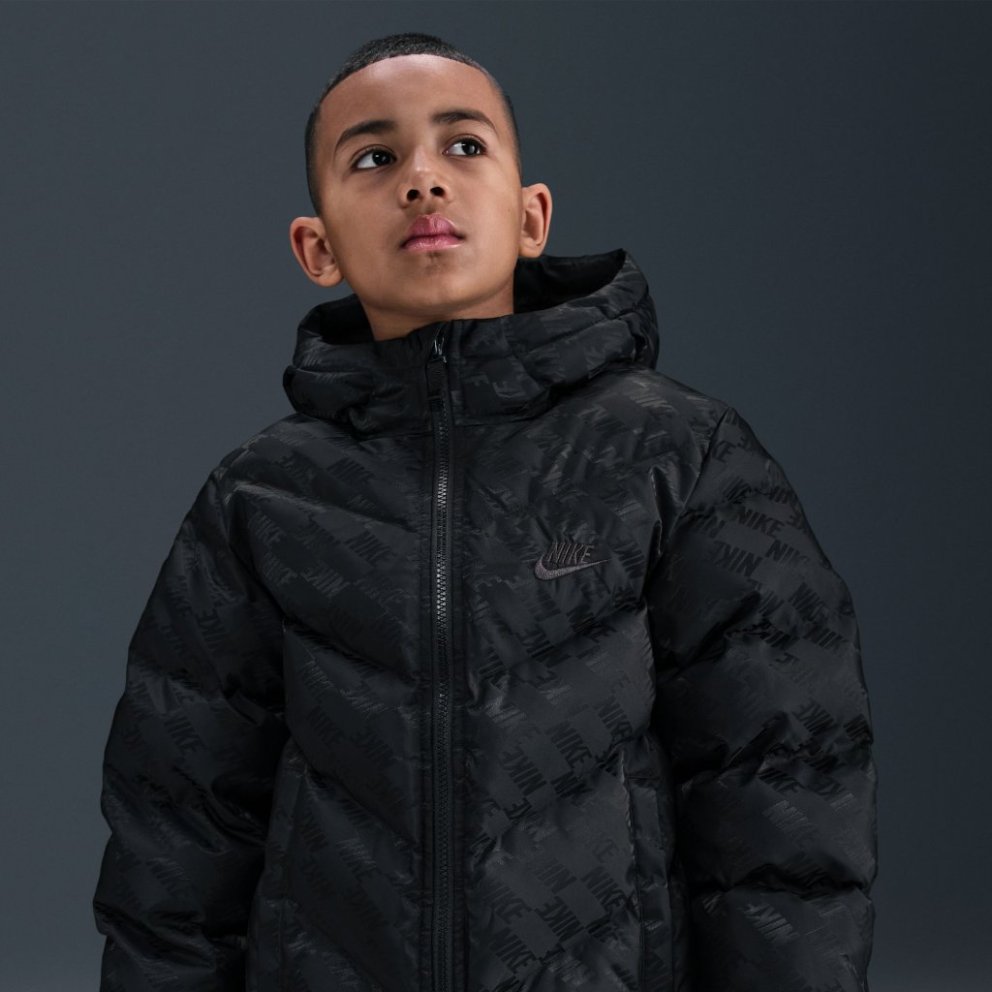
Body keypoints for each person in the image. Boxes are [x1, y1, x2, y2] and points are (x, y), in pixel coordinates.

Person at [92, 31, 878, 992]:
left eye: (463, 146)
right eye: (373, 158)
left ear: (532, 215)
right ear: (316, 246)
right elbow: (178, 823)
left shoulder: (677, 455)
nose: (423, 180)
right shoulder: (260, 497)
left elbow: (785, 775)